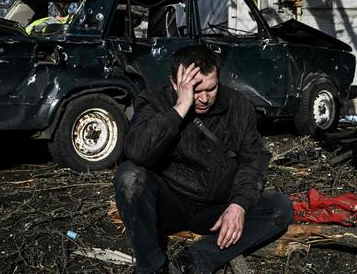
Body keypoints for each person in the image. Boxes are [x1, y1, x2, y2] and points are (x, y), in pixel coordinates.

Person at [113, 45, 293, 274]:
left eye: (212, 88)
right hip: (169, 206)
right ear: (174, 83)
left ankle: (193, 262)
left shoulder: (238, 105)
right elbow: (137, 152)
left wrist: (239, 204)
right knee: (129, 177)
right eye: (195, 90)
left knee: (280, 207)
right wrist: (180, 107)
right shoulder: (154, 101)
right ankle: (152, 267)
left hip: (217, 210)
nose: (205, 98)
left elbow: (253, 160)